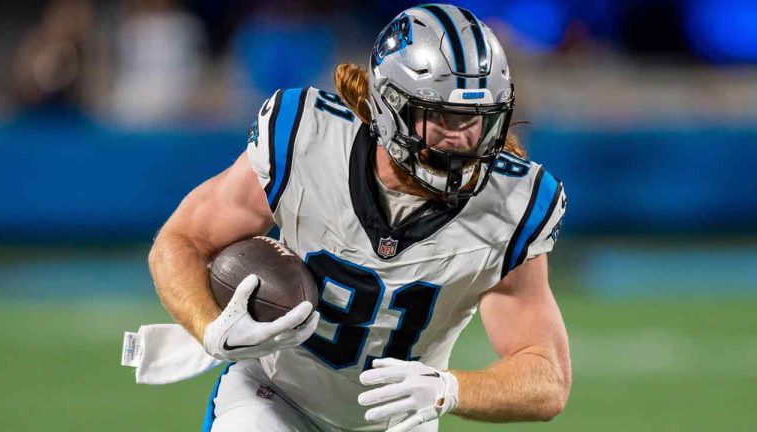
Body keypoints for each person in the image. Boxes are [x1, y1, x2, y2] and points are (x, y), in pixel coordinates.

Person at [148, 4, 571, 431]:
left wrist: (449, 389)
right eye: (444, 117)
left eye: (480, 120)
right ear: (390, 107)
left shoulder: (511, 204)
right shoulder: (307, 139)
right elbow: (184, 239)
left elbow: (546, 376)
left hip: (398, 420)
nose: (464, 138)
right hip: (275, 395)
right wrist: (208, 328)